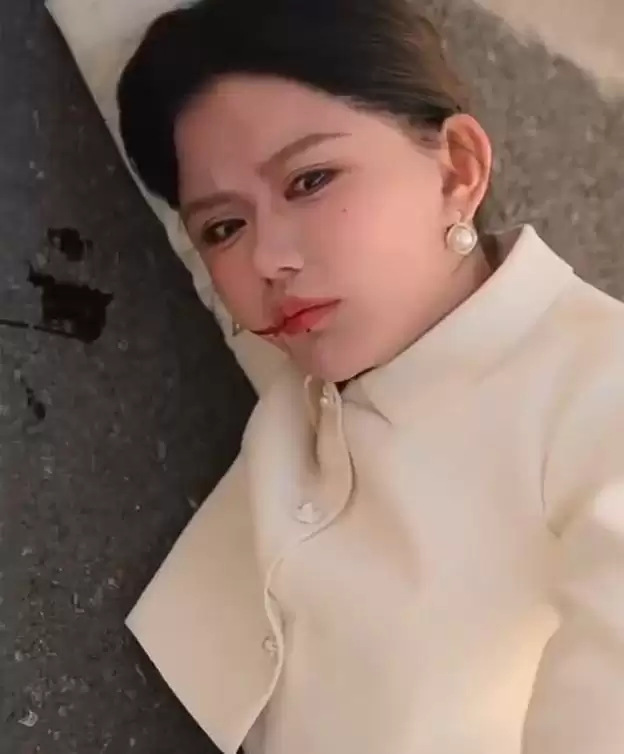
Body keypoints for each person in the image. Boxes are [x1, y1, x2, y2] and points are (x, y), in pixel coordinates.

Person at [116, 1, 624, 752]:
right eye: (223, 227)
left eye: (310, 180)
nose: (266, 260)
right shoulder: (324, 341)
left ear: (457, 168)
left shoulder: (598, 385)